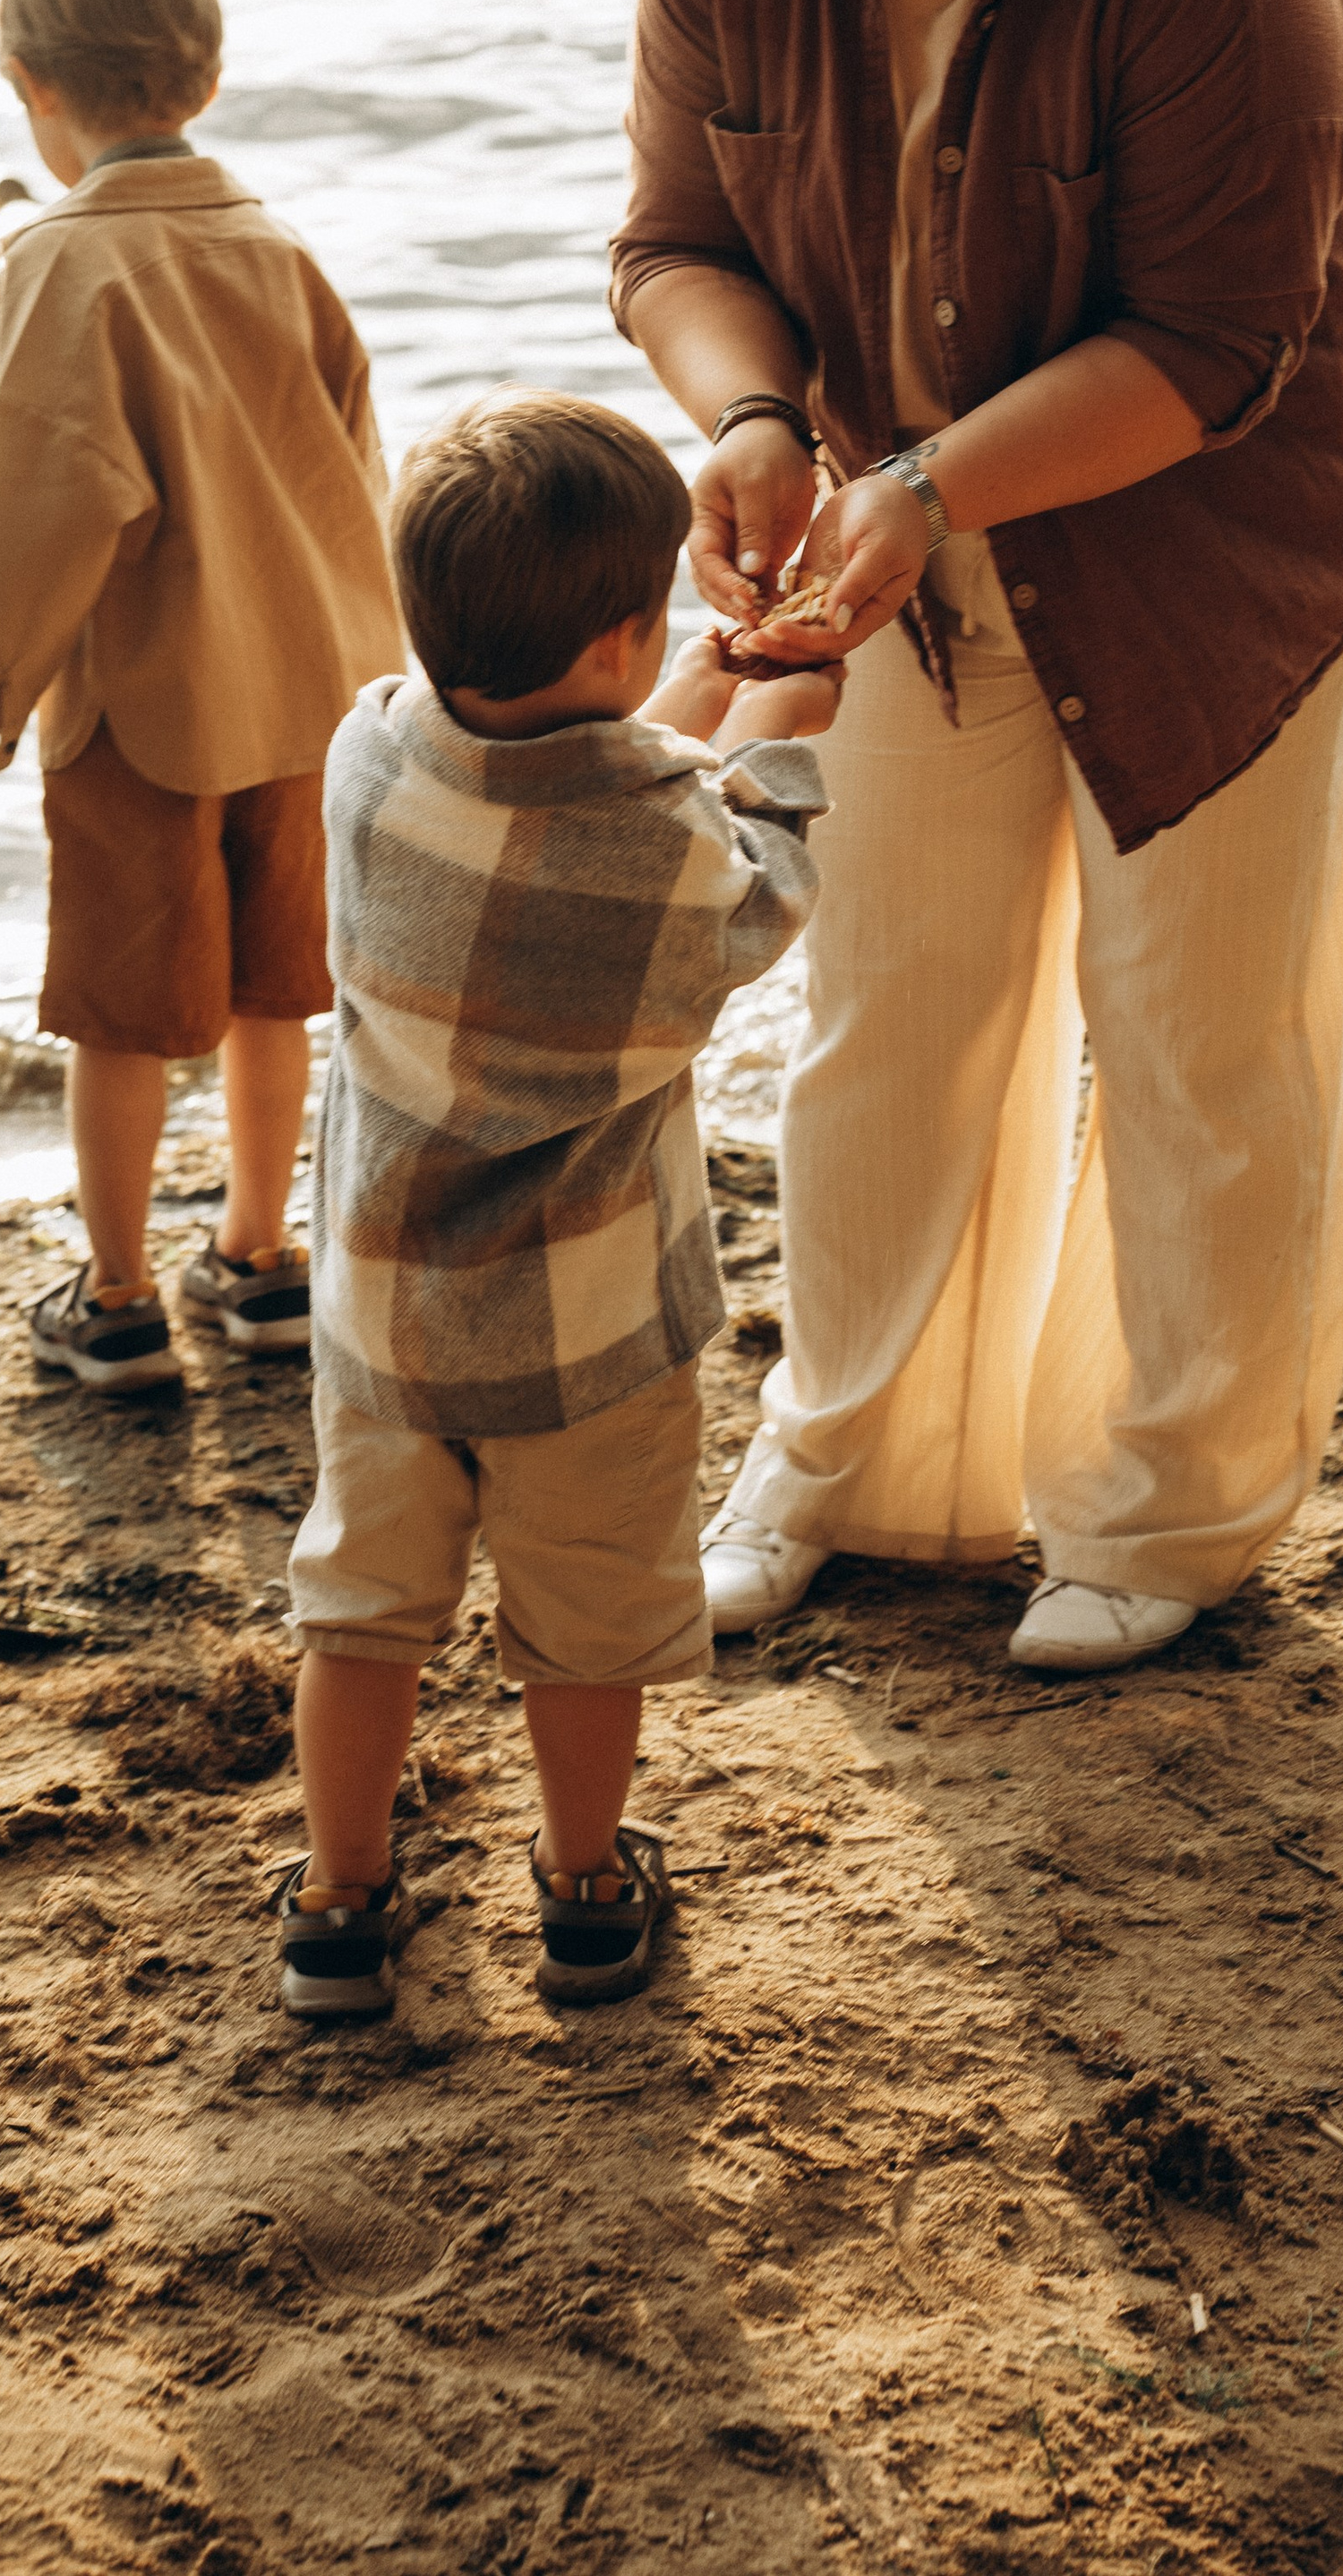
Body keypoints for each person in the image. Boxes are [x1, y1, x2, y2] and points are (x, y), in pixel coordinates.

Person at [613, 0, 1343, 1673]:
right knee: (887, 1002)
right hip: (902, 538)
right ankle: (854, 1463)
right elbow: (675, 239)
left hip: (1210, 545)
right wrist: (756, 424)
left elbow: (1216, 342)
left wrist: (936, 483)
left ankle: (1164, 1513)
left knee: (1190, 1039)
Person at [275, 393, 837, 2018]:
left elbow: (581, 776)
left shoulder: (371, 749)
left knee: (362, 1608)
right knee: (585, 1627)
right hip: (588, 1335)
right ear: (628, 624)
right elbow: (751, 887)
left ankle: (337, 1902)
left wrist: (688, 698)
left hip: (387, 1319)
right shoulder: (667, 847)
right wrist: (783, 725)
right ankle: (587, 1892)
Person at [0, 0, 402, 1392]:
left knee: (122, 1012)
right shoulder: (280, 246)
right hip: (316, 694)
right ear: (203, 75)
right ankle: (261, 1259)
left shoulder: (58, 262)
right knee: (279, 992)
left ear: (23, 84)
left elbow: (57, 493)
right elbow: (359, 474)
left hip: (146, 708)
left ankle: (118, 1293)